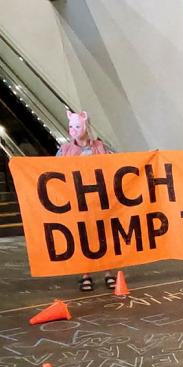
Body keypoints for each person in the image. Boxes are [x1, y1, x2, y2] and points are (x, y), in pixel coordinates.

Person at [56, 109, 115, 292]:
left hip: (99, 199)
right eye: (71, 126)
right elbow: (52, 170)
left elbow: (116, 164)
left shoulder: (100, 146)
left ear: (85, 126)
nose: (74, 129)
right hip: (78, 201)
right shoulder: (65, 149)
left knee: (104, 236)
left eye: (77, 126)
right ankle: (85, 274)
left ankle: (108, 273)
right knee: (83, 237)